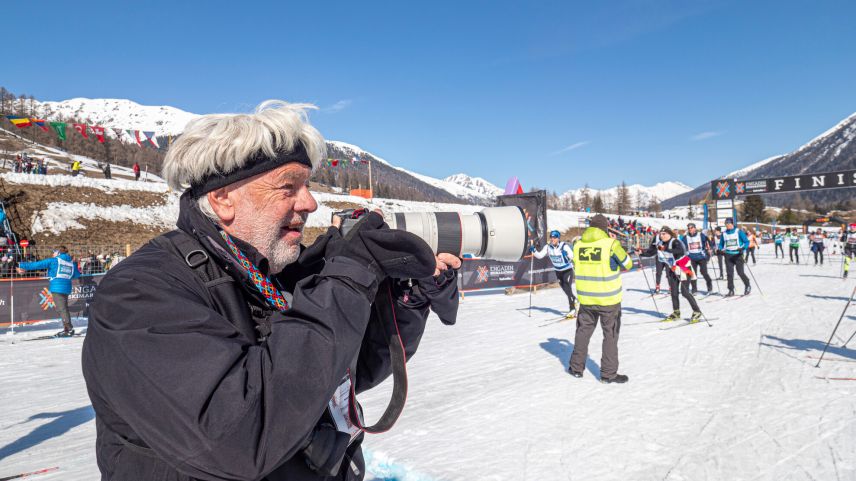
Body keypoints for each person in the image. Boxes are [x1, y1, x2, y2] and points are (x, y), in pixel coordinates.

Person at [81, 101, 461, 481]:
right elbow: (240, 436)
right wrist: (349, 276)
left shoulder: (267, 274)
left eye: (307, 185)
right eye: (288, 187)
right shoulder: (139, 294)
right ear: (223, 198)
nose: (310, 203)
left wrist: (406, 299)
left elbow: (336, 375)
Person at [568, 214, 633, 383]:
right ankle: (608, 374)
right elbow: (628, 263)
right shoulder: (611, 244)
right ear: (605, 228)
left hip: (586, 298)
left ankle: (576, 368)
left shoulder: (578, 245)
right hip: (608, 300)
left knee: (583, 332)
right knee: (610, 335)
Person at [639, 226, 702, 322]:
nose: (662, 235)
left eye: (664, 234)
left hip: (684, 267)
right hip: (673, 269)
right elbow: (651, 252)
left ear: (669, 234)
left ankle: (697, 311)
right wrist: (641, 253)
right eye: (661, 234)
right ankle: (676, 312)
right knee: (673, 292)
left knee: (685, 292)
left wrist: (665, 249)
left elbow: (680, 250)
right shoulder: (660, 243)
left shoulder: (675, 241)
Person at [16, 246, 81, 336]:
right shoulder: (70, 262)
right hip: (66, 287)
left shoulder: (54, 260)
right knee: (63, 308)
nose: (52, 253)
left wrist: (20, 265)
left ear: (58, 252)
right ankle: (67, 328)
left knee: (61, 309)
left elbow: (37, 265)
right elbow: (76, 275)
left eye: (54, 251)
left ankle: (68, 329)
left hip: (57, 287)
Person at [531, 230, 577, 318]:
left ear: (558, 238)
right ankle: (574, 300)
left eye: (554, 238)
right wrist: (534, 251)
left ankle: (572, 309)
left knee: (568, 288)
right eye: (551, 237)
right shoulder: (548, 247)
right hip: (558, 271)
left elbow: (572, 256)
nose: (552, 239)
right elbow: (540, 256)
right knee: (565, 290)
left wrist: (566, 255)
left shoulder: (564, 246)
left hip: (567, 270)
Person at [718, 218, 751, 297]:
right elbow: (721, 244)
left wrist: (743, 248)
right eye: (726, 224)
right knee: (729, 274)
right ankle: (731, 289)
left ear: (733, 224)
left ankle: (747, 285)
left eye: (729, 224)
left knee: (740, 272)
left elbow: (746, 242)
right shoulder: (724, 233)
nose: (728, 225)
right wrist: (719, 249)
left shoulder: (738, 232)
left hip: (737, 254)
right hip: (728, 255)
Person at [680, 223, 713, 295]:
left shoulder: (701, 235)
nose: (690, 229)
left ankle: (709, 286)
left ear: (695, 228)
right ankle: (694, 289)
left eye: (691, 228)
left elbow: (709, 243)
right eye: (689, 228)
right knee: (692, 274)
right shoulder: (685, 237)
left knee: (704, 272)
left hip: (701, 257)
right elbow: (682, 246)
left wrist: (709, 249)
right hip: (691, 258)